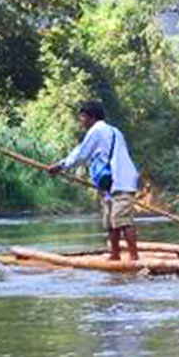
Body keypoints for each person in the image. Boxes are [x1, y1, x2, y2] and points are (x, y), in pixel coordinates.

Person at [47, 100, 140, 261]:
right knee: (111, 221)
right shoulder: (113, 131)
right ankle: (115, 254)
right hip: (110, 183)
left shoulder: (97, 131)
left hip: (120, 180)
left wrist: (61, 165)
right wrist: (62, 164)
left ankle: (134, 256)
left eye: (82, 117)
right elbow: (82, 150)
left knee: (123, 221)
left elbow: (82, 154)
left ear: (91, 117)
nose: (80, 121)